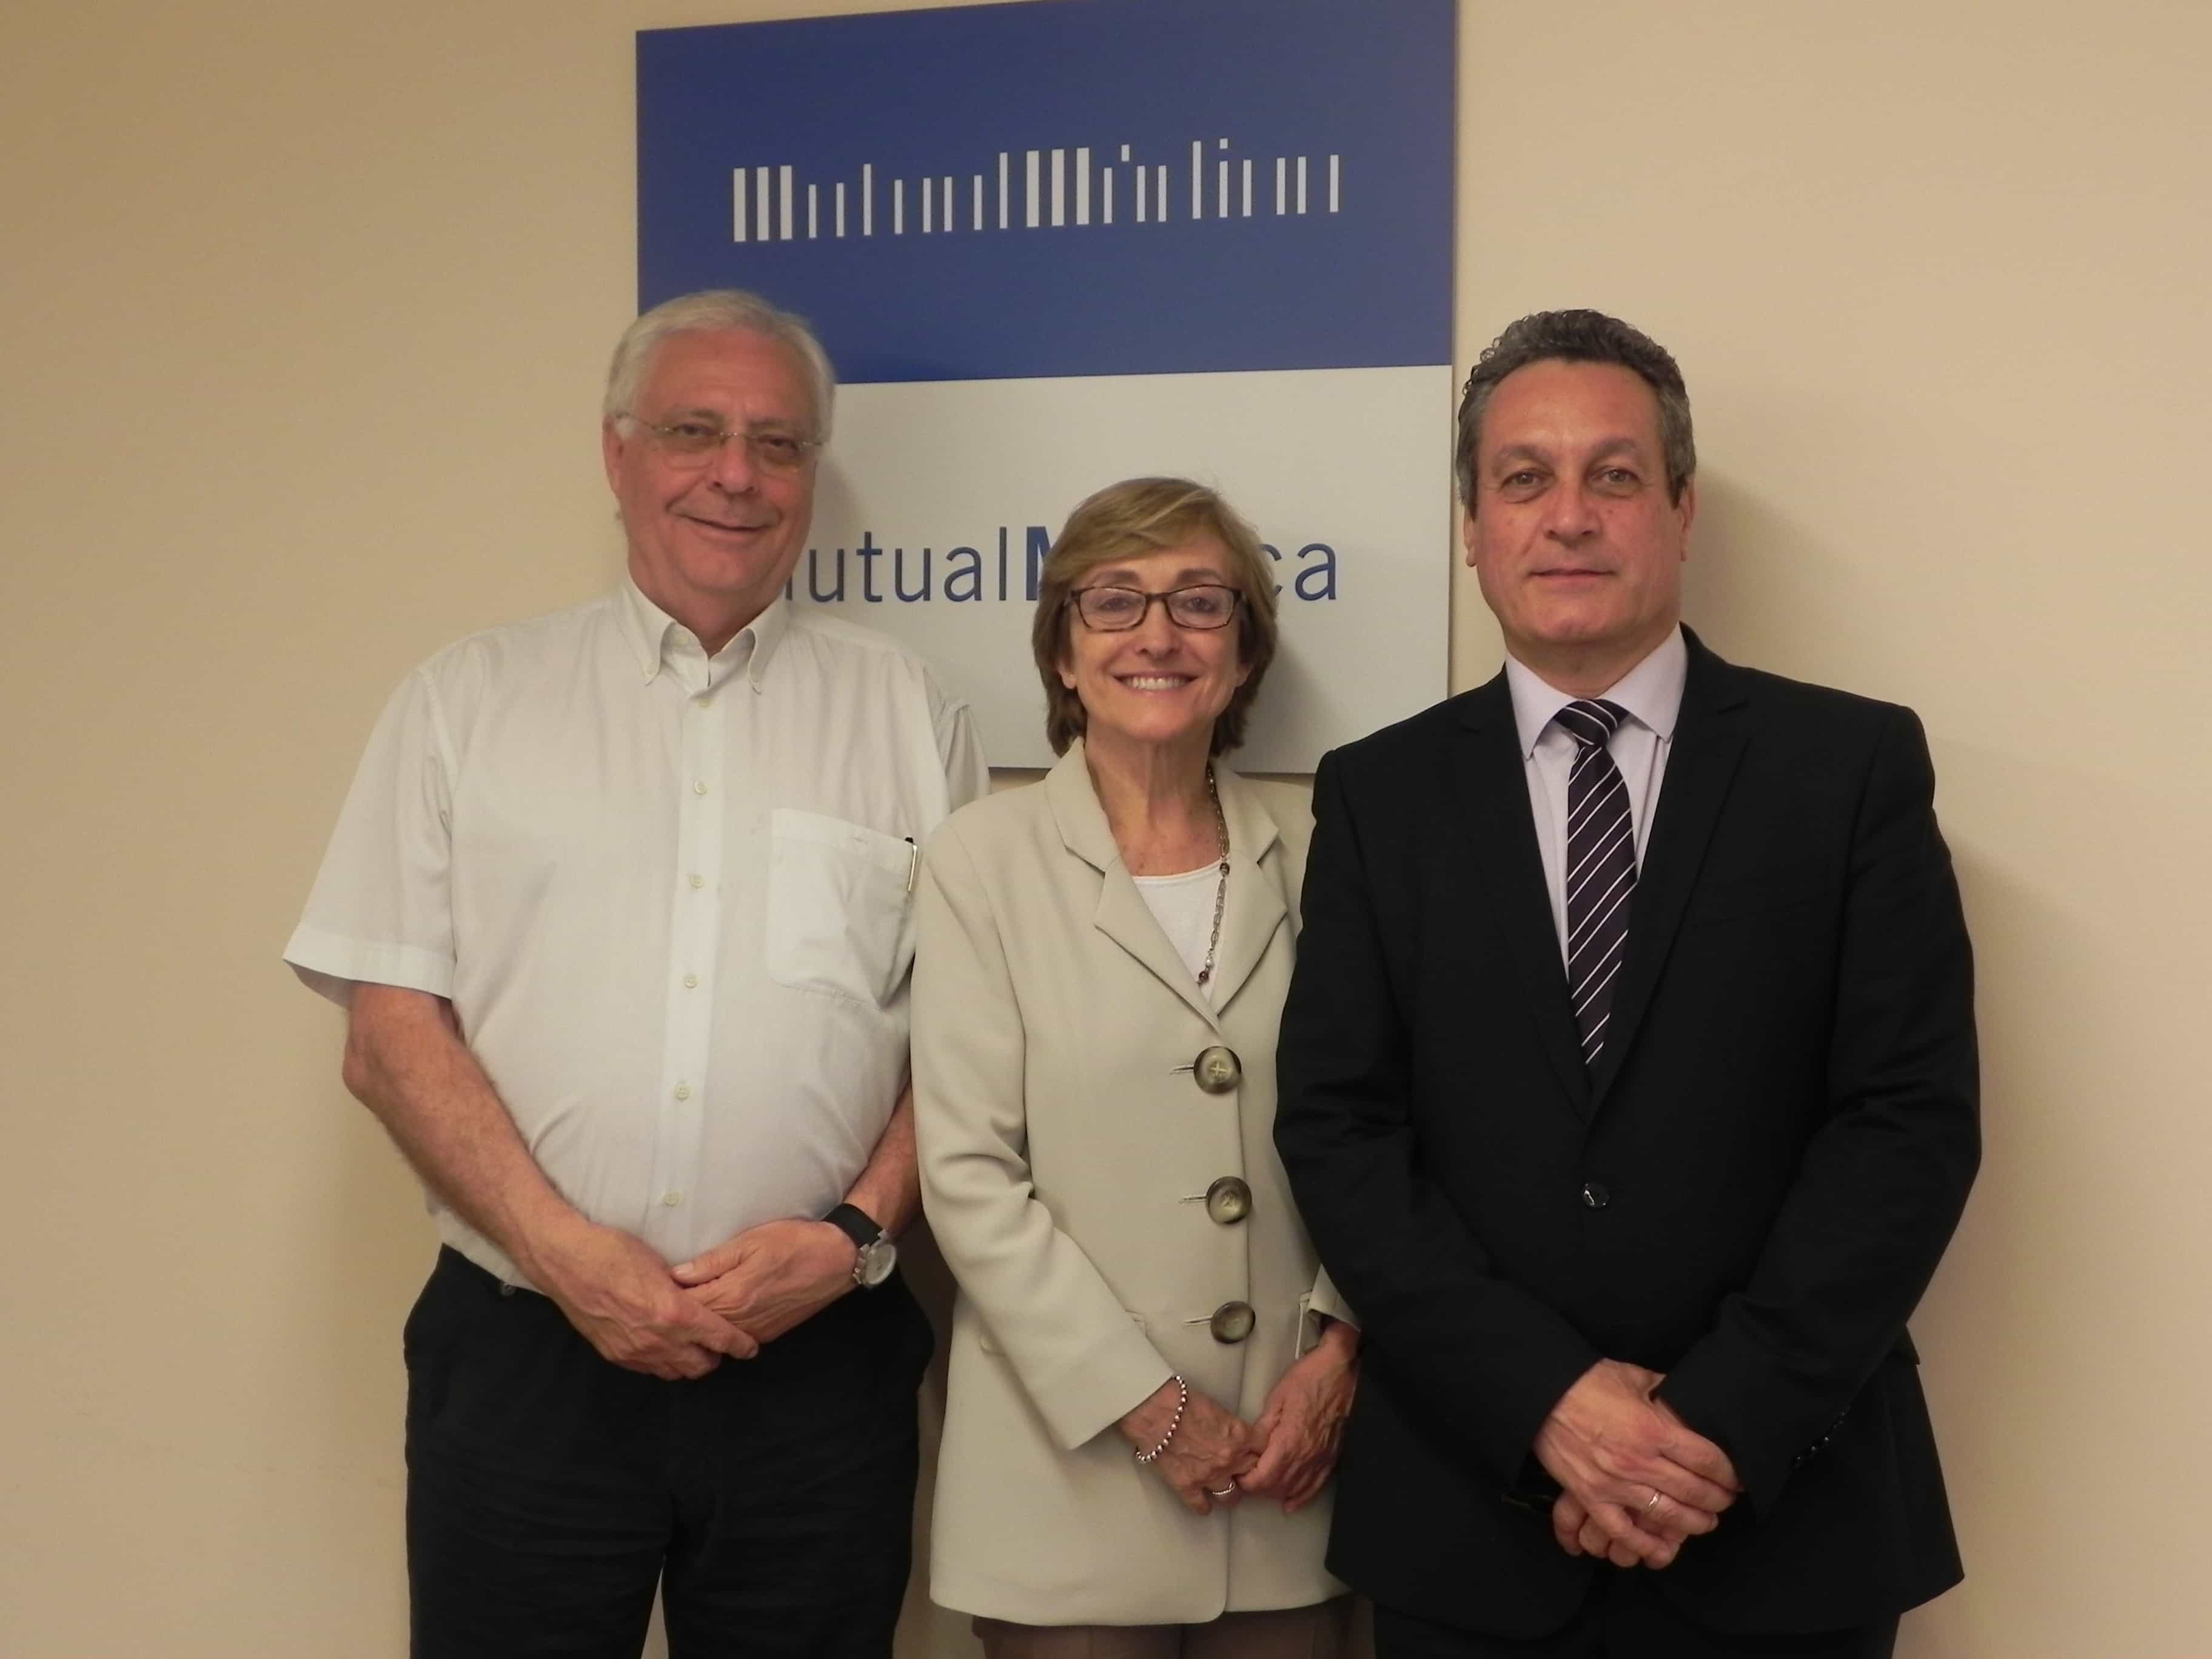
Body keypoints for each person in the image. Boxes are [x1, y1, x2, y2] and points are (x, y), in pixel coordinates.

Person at [284, 288, 986, 1658]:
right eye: (692, 431)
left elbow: (968, 1045)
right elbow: (389, 1034)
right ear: (617, 454)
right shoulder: (465, 703)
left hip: (816, 1367)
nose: (736, 474)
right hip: (526, 1357)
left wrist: (851, 1238)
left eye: (777, 444)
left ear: (812, 474)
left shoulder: (912, 715)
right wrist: (564, 1255)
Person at [1273, 310, 1979, 1659]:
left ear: (1681, 508)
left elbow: (1908, 1122)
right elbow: (1340, 1129)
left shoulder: (1848, 770)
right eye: (1523, 479)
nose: (1569, 516)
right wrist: (1547, 1399)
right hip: (1469, 1521)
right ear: (1474, 527)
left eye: (1614, 474)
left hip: (1783, 1517)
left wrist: (1710, 1428)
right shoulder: (1379, 795)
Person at [912, 478, 1361, 1657]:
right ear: (1063, 653)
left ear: (1245, 651)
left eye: (1200, 602)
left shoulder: (1326, 851)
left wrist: (1341, 1351)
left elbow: (1391, 1128)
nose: (1157, 634)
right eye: (1115, 602)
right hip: (1064, 1487)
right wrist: (1153, 1412)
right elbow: (967, 1179)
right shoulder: (980, 861)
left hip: (1290, 1472)